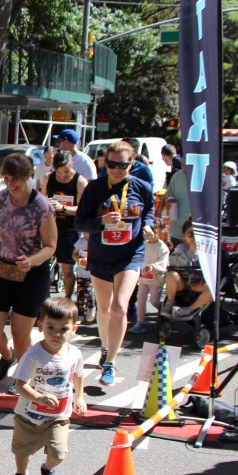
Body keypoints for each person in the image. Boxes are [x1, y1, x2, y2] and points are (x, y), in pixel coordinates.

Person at [75, 140, 155, 386]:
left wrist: (148, 225)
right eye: (112, 164)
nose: (117, 169)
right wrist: (102, 221)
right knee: (105, 309)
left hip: (129, 256)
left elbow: (149, 210)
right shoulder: (95, 188)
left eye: (123, 165)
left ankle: (109, 362)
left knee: (119, 307)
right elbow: (80, 222)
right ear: (105, 163)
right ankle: (105, 346)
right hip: (101, 256)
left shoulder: (142, 187)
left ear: (132, 163)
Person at [0, 153, 57, 387]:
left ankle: (23, 382)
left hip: (32, 274)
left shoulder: (41, 206)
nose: (10, 184)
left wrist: (31, 260)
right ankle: (7, 356)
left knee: (20, 333)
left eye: (15, 179)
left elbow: (51, 246)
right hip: (3, 267)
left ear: (28, 176)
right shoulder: (0, 198)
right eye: (6, 178)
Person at [7, 296, 86, 475]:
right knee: (22, 451)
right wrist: (38, 398)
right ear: (40, 326)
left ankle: (48, 468)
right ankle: (21, 474)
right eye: (51, 327)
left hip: (58, 416)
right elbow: (20, 384)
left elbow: (78, 374)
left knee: (58, 453)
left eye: (64, 329)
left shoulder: (74, 354)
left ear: (74, 329)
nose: (57, 334)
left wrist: (79, 397)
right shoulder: (33, 355)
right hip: (28, 415)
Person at [42, 150, 87, 300]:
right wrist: (47, 203)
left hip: (69, 230)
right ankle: (45, 300)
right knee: (43, 266)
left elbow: (84, 210)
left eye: (66, 172)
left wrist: (64, 208)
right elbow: (40, 200)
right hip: (50, 228)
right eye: (59, 172)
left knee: (67, 269)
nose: (63, 176)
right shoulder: (48, 178)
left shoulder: (80, 182)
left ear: (72, 164)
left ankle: (67, 299)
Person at [162, 220, 213, 319]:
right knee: (171, 275)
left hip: (197, 283)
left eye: (198, 235)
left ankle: (189, 309)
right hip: (182, 282)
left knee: (213, 288)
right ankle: (171, 301)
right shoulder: (181, 248)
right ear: (184, 236)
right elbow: (173, 261)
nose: (194, 238)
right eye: (191, 234)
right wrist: (190, 253)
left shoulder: (206, 251)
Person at [130, 218, 170, 333]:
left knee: (154, 301)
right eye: (149, 231)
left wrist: (152, 267)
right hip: (143, 278)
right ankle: (140, 322)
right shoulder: (143, 244)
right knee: (141, 299)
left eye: (154, 231)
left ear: (161, 232)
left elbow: (163, 264)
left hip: (156, 279)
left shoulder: (162, 247)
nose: (150, 234)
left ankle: (165, 311)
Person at [72, 233, 96, 324]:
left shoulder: (97, 242)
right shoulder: (81, 241)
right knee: (80, 293)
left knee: (89, 292)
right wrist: (78, 259)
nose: (87, 233)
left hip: (92, 273)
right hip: (81, 272)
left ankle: (91, 308)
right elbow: (74, 254)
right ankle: (80, 313)